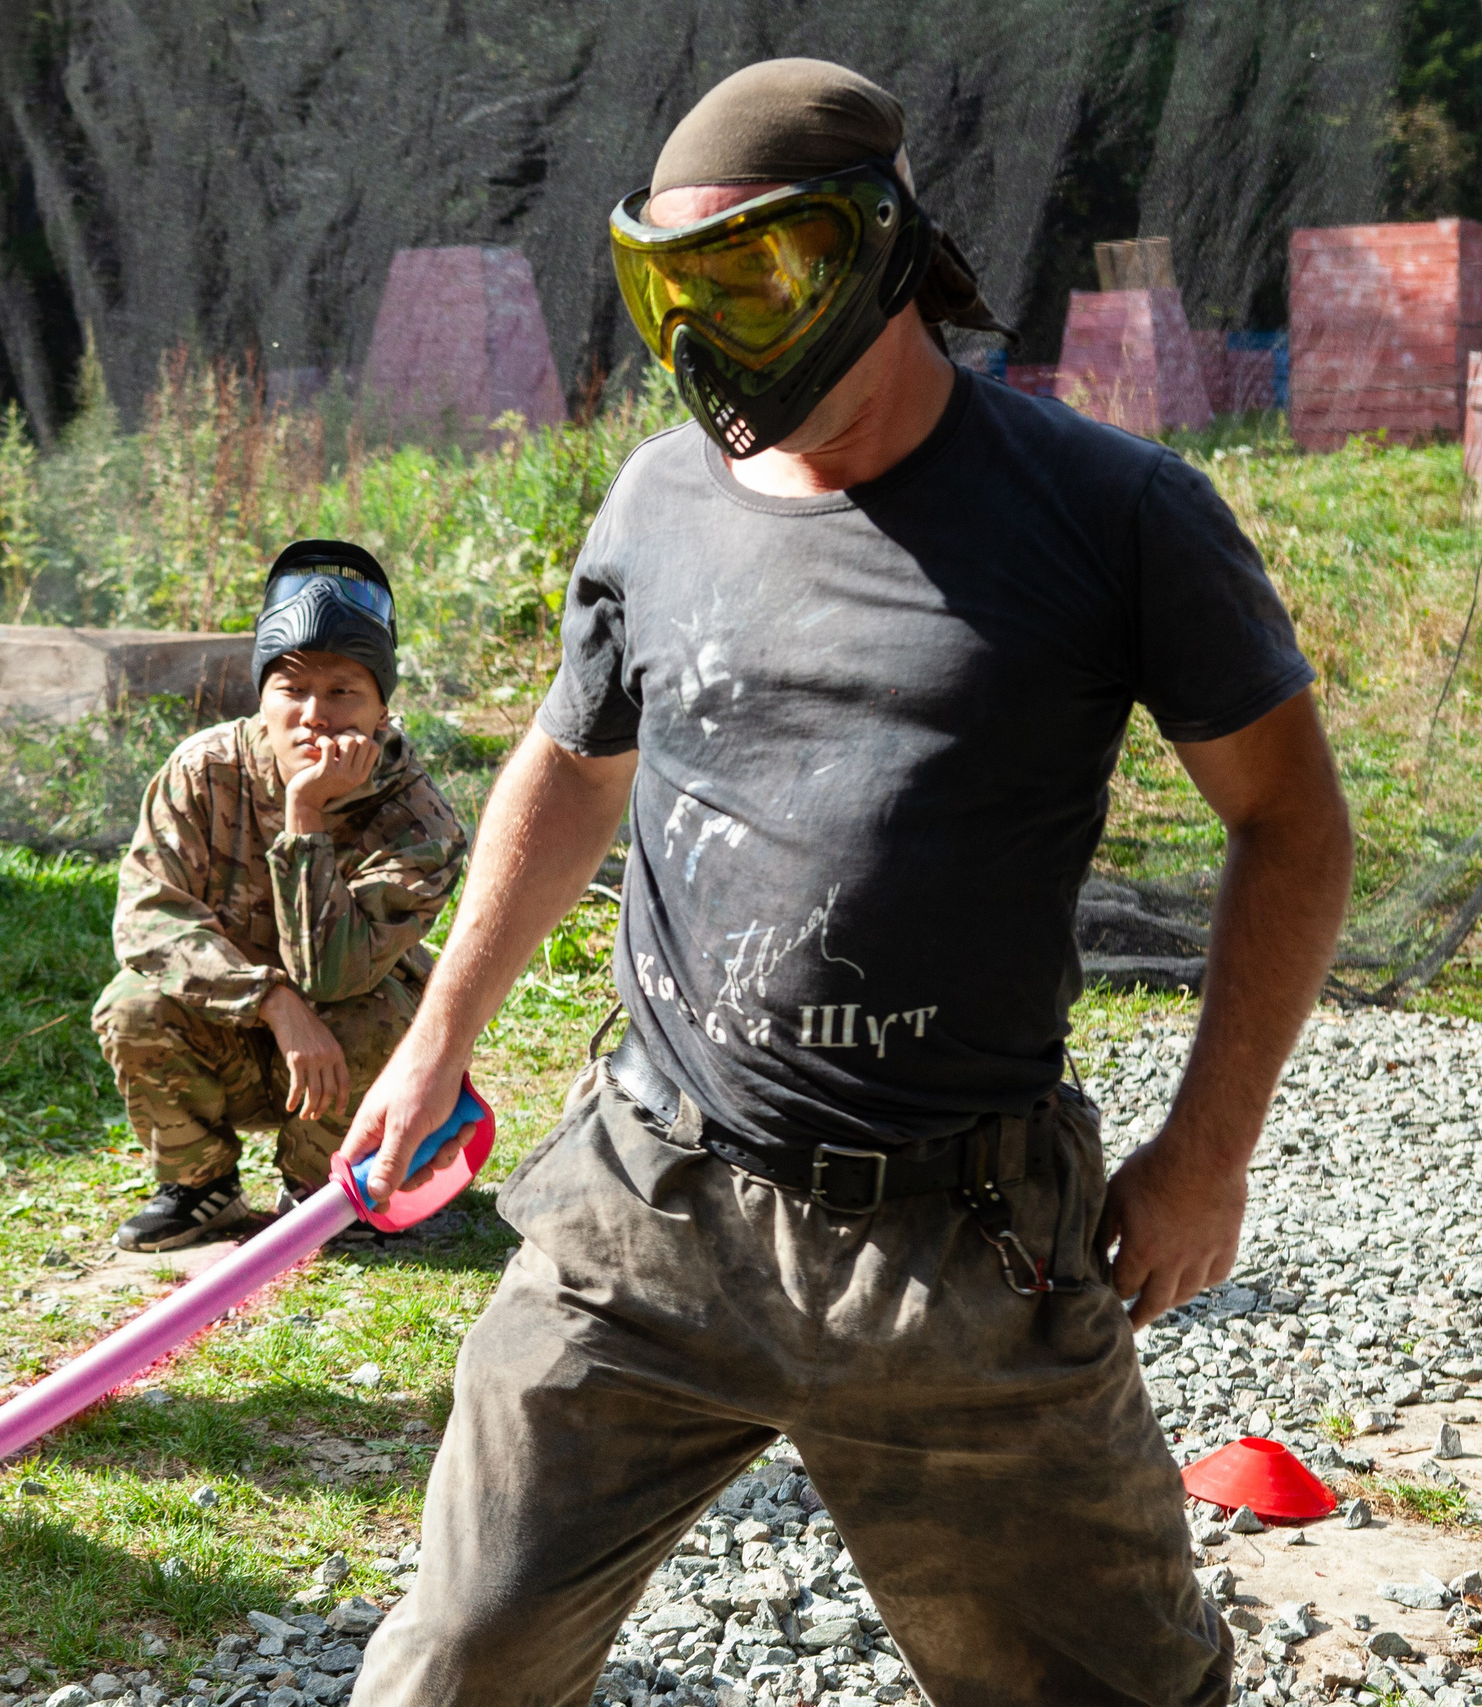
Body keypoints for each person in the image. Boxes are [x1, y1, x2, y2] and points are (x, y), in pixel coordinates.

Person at [341, 60, 1351, 1707]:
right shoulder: (658, 499)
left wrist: (1206, 1155)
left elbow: (1295, 822)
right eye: (673, 289)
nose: (711, 336)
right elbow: (573, 763)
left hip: (955, 1252)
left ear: (878, 251)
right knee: (453, 1664)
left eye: (754, 278)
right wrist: (438, 1030)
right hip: (646, 1216)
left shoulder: (1117, 516)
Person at [98, 541, 467, 1253]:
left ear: (383, 708)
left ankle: (323, 1185)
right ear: (260, 697)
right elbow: (147, 919)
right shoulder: (203, 771)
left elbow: (335, 975)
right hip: (238, 1038)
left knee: (385, 1008)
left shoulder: (418, 821)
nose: (314, 716)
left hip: (352, 1049)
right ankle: (201, 1185)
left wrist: (305, 817)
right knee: (133, 1001)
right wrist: (272, 1000)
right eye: (291, 691)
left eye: (342, 692)